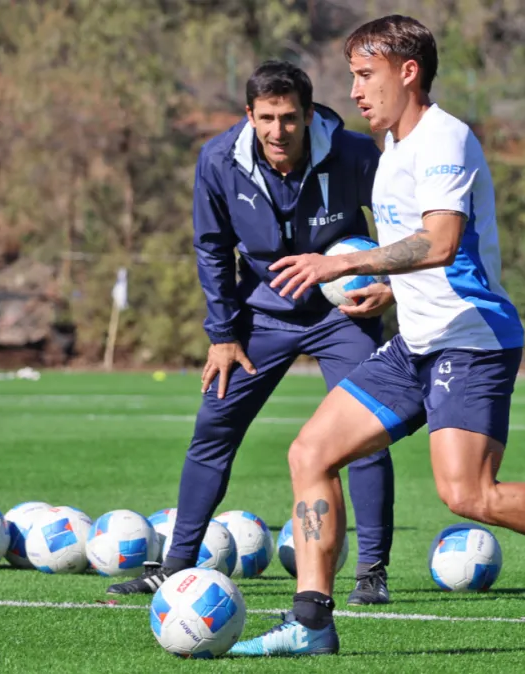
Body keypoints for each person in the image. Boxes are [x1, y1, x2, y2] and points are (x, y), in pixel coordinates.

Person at [228, 16, 525, 657]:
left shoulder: (443, 139)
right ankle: (312, 621)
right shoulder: (395, 149)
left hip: (471, 340)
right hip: (419, 340)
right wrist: (389, 289)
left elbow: (441, 242)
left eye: (364, 75)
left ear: (409, 72)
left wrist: (343, 262)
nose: (353, 90)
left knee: (468, 494)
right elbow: (425, 256)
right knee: (310, 454)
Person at [106, 60, 396, 606]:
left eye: (289, 118)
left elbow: (409, 226)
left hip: (345, 314)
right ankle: (173, 566)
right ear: (249, 115)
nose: (278, 131)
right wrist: (222, 334)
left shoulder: (357, 155)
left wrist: (391, 288)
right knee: (214, 426)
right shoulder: (218, 160)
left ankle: (371, 573)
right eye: (266, 118)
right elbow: (213, 249)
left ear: (309, 115)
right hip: (262, 315)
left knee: (363, 436)